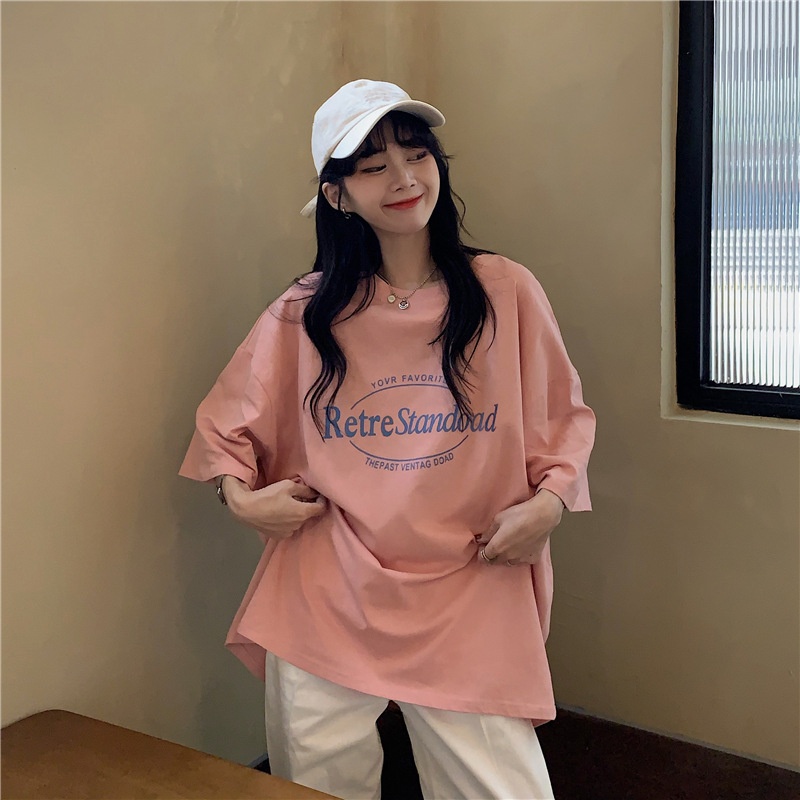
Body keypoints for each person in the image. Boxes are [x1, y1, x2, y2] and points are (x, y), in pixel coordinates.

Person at [179, 78, 596, 800]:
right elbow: (224, 426)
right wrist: (241, 500)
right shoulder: (306, 312)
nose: (403, 178)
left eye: (416, 154)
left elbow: (565, 420)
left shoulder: (505, 290)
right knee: (317, 787)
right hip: (328, 587)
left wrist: (550, 505)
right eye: (373, 166)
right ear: (337, 195)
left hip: (473, 580)